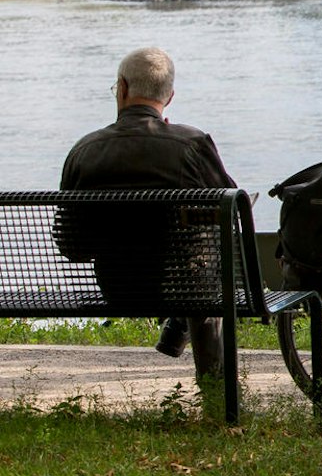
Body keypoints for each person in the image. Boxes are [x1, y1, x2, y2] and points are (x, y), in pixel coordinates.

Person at [59, 47, 235, 411]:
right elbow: (230, 215)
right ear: (169, 97)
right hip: (185, 289)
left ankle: (178, 325)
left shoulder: (85, 150)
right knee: (203, 266)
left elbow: (72, 246)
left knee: (195, 271)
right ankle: (217, 399)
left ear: (122, 88)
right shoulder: (191, 145)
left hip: (119, 287)